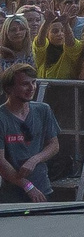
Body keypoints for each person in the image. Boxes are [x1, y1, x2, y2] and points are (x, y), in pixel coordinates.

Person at [0, 64, 61, 203]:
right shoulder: (2, 117)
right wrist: (27, 186)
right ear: (9, 88)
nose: (31, 87)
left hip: (42, 188)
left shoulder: (42, 110)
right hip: (13, 194)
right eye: (24, 84)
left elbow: (54, 145)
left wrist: (34, 159)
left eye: (33, 82)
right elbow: (1, 162)